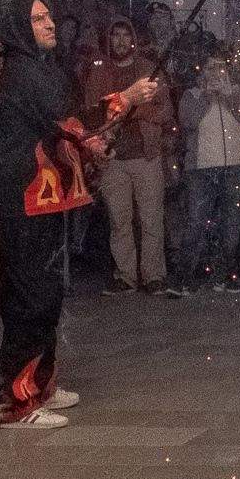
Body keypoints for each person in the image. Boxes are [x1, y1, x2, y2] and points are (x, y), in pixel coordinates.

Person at [0, 0, 158, 428]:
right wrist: (127, 97)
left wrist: (94, 142)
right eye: (38, 19)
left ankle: (40, 384)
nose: (49, 24)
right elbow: (72, 122)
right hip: (21, 200)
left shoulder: (41, 70)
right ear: (19, 29)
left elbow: (59, 130)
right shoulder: (24, 74)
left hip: (42, 199)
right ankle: (17, 403)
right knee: (29, 298)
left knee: (46, 294)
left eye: (48, 16)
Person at [82, 18, 167, 295]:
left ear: (133, 39)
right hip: (113, 158)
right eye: (115, 35)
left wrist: (138, 110)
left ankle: (153, 275)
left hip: (146, 155)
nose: (120, 41)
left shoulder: (148, 70)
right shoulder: (99, 72)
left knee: (151, 219)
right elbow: (91, 112)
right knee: (119, 221)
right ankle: (126, 275)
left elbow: (165, 110)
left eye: (125, 35)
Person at [174, 47, 240, 292]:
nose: (216, 72)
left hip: (235, 166)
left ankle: (225, 275)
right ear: (202, 71)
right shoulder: (192, 95)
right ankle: (184, 278)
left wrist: (230, 97)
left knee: (232, 223)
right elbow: (187, 122)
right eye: (210, 67)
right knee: (196, 222)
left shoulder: (236, 93)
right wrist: (207, 96)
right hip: (201, 168)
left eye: (221, 67)